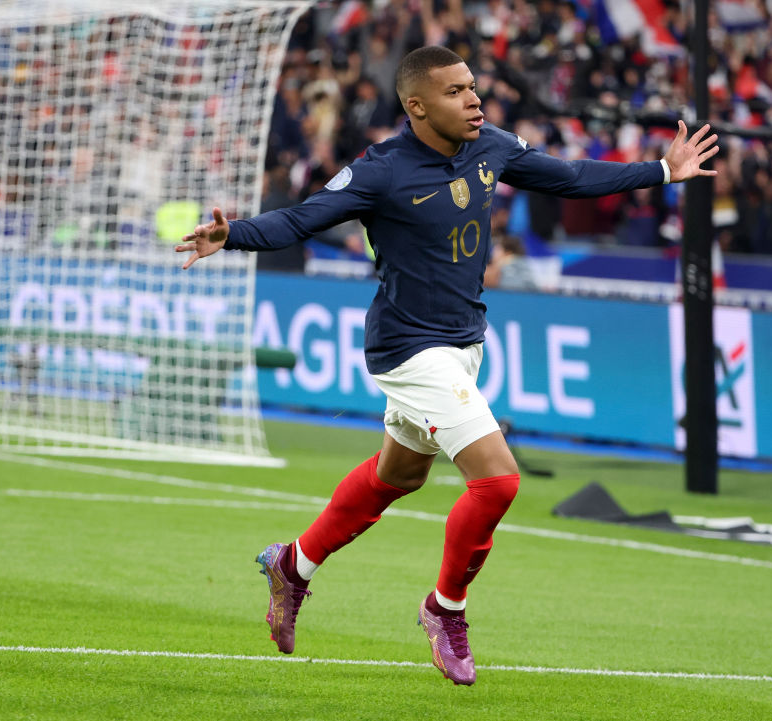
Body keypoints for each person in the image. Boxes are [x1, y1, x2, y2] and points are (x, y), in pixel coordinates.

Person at [175, 46, 718, 686]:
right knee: (498, 482)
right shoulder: (380, 170)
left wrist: (661, 169)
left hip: (463, 342)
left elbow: (569, 176)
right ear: (417, 105)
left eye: (472, 87)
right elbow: (302, 218)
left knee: (396, 476)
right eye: (457, 91)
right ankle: (445, 611)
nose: (474, 100)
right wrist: (232, 234)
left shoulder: (489, 145)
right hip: (409, 348)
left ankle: (293, 565)